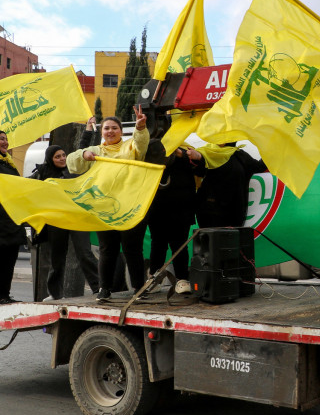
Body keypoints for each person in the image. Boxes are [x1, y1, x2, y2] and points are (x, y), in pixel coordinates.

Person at [67, 108, 150, 301]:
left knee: (133, 249)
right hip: (105, 208)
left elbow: (142, 145)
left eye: (114, 128)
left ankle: (139, 288)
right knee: (107, 249)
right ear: (101, 132)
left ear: (121, 131)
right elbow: (72, 163)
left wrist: (140, 128)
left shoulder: (130, 148)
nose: (110, 131)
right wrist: (84, 154)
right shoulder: (97, 151)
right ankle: (104, 289)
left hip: (130, 207)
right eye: (106, 128)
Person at [29, 145, 100, 299]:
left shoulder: (73, 170)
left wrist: (88, 130)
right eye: (57, 156)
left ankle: (97, 288)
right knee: (57, 259)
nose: (62, 159)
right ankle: (54, 294)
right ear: (50, 159)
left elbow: (82, 150)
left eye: (63, 155)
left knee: (85, 254)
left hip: (76, 218)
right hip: (57, 220)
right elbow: (27, 188)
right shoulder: (42, 174)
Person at [146, 143, 204, 287]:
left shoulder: (186, 149)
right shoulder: (150, 146)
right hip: (157, 207)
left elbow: (201, 169)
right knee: (158, 244)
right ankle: (154, 280)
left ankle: (182, 280)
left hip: (182, 207)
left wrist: (182, 154)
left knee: (179, 244)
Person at [192, 143, 267, 228]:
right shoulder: (207, 152)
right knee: (213, 240)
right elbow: (199, 171)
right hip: (210, 210)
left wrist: (272, 151)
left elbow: (259, 167)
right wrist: (197, 158)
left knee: (230, 239)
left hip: (234, 210)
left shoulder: (239, 154)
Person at [0, 130, 26, 304]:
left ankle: (4, 295)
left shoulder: (8, 163)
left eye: (6, 139)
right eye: (1, 139)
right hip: (1, 222)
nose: (5, 142)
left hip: (12, 219)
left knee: (9, 260)